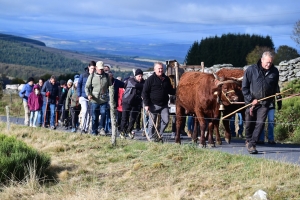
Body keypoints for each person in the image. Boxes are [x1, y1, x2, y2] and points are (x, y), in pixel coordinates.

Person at [242, 51, 279, 154]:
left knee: (260, 123)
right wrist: (251, 100)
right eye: (267, 62)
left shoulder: (275, 72)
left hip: (264, 103)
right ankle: (248, 139)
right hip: (251, 103)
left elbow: (275, 87)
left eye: (270, 63)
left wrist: (273, 98)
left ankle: (252, 144)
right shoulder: (251, 70)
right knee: (249, 124)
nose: (269, 64)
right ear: (262, 60)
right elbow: (244, 88)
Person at [142, 62, 176, 142]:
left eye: (161, 68)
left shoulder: (166, 79)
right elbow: (144, 92)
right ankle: (151, 137)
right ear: (155, 69)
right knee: (152, 122)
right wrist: (146, 104)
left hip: (164, 104)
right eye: (159, 69)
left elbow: (169, 90)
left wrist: (177, 91)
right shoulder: (150, 80)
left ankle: (159, 134)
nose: (160, 70)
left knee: (166, 120)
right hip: (153, 104)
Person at [85, 61, 112, 136]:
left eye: (102, 69)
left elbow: (110, 87)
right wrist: (88, 95)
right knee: (94, 116)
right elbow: (87, 87)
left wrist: (111, 97)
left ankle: (101, 128)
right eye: (99, 69)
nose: (101, 70)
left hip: (104, 99)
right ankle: (94, 130)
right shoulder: (92, 76)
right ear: (96, 68)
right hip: (94, 100)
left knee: (103, 114)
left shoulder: (106, 76)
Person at [120, 69, 145, 139]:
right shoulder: (131, 80)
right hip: (127, 101)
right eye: (139, 76)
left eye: (141, 76)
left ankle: (129, 130)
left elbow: (144, 87)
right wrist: (144, 85)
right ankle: (122, 131)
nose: (140, 78)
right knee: (125, 117)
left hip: (136, 102)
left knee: (133, 118)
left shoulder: (143, 82)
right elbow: (137, 85)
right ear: (135, 76)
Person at [77, 61, 96, 133]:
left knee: (90, 113)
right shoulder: (83, 75)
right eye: (92, 68)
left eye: (94, 68)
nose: (93, 70)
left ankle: (86, 128)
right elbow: (79, 85)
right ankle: (82, 127)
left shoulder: (95, 76)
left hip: (91, 98)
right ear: (89, 67)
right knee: (84, 111)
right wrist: (79, 95)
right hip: (83, 96)